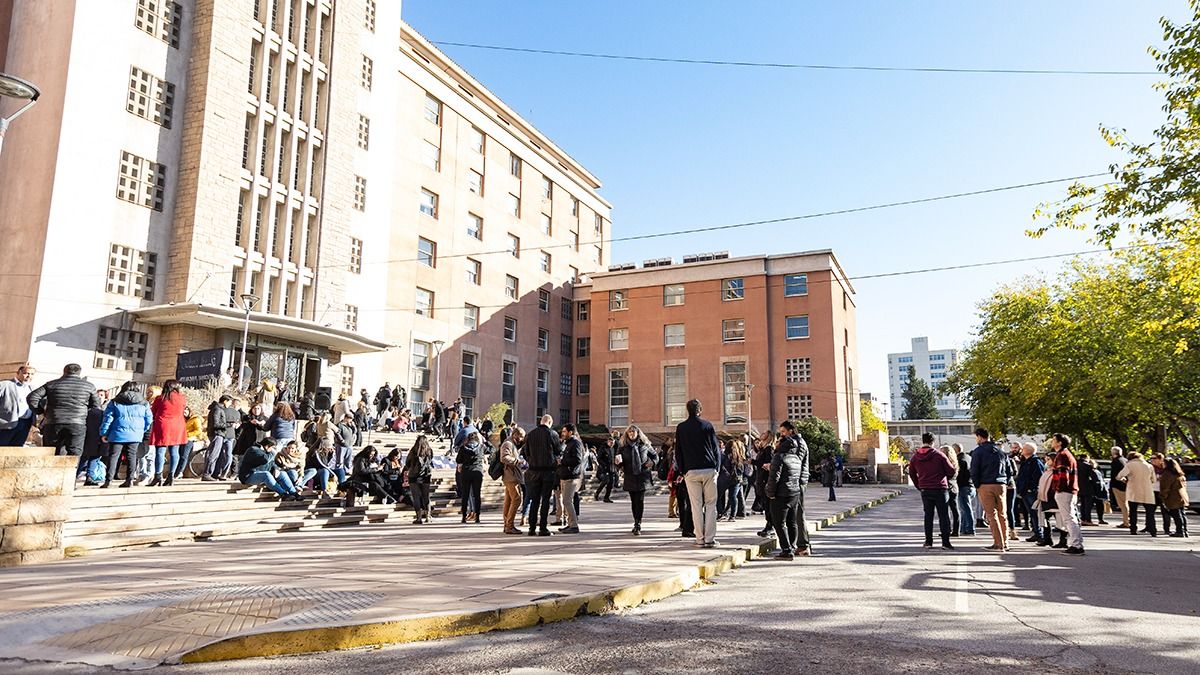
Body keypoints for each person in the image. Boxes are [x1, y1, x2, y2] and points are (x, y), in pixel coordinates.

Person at [26, 363, 100, 456]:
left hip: (53, 422)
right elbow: (96, 407)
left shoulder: (51, 384)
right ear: (79, 373)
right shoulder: (89, 386)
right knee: (74, 453)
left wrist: (40, 411)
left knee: (50, 452)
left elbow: (32, 397)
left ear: (64, 371)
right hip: (77, 423)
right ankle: (71, 470)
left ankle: (50, 470)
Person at [676, 399, 721, 548]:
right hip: (708, 468)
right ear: (700, 409)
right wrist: (717, 468)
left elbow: (679, 452)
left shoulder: (681, 428)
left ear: (687, 410)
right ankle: (709, 538)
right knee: (710, 505)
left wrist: (682, 471)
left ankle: (699, 538)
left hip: (691, 470)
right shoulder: (707, 425)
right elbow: (716, 449)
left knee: (696, 505)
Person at [767, 420, 811, 559]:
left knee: (797, 515)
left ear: (791, 430)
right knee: (793, 517)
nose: (782, 436)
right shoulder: (795, 443)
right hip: (795, 481)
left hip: (796, 482)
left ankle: (802, 545)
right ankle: (794, 546)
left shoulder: (797, 443)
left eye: (784, 432)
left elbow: (793, 463)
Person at [98, 381, 154, 489]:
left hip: (117, 433)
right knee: (132, 456)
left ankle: (108, 481)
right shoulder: (144, 402)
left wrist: (104, 432)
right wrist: (142, 430)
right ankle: (129, 480)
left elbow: (108, 418)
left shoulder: (115, 401)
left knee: (113, 456)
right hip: (135, 434)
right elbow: (149, 419)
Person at [908, 432, 956, 551]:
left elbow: (912, 473)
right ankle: (946, 543)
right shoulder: (939, 455)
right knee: (943, 516)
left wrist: (919, 485)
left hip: (925, 489)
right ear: (933, 442)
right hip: (940, 489)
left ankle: (928, 541)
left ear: (922, 441)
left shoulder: (915, 457)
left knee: (928, 516)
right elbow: (951, 471)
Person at [522, 414, 562, 536]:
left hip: (533, 470)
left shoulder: (530, 434)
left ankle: (532, 528)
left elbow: (525, 451)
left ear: (541, 421)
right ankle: (543, 527)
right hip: (548, 470)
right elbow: (558, 451)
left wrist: (531, 460)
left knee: (534, 500)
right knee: (545, 499)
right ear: (550, 422)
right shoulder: (553, 434)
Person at [970, 428, 1009, 551]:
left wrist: (977, 485)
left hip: (986, 484)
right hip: (1001, 484)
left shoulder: (978, 451)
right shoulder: (1000, 451)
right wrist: (1005, 481)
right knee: (1003, 514)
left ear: (980, 437)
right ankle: (1005, 541)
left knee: (991, 515)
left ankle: (998, 543)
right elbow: (1009, 469)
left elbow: (974, 470)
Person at [1047, 433, 1084, 555]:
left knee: (1068, 518)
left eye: (1054, 440)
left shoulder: (1062, 456)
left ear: (1059, 443)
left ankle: (1076, 545)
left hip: (1065, 491)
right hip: (1069, 490)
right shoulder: (1066, 454)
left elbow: (1064, 475)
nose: (1052, 442)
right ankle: (1076, 543)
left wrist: (1059, 488)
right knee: (1070, 517)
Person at [617, 425, 657, 535]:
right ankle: (636, 520)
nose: (631, 434)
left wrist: (652, 463)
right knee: (633, 501)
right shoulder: (623, 447)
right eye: (629, 432)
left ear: (638, 433)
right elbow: (618, 461)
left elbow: (655, 456)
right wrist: (618, 463)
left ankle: (637, 523)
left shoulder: (645, 445)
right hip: (630, 476)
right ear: (627, 434)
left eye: (633, 432)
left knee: (639, 500)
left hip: (642, 476)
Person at [148, 379, 187, 487]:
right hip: (178, 426)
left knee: (160, 452)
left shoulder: (161, 398)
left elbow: (153, 412)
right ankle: (171, 476)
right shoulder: (182, 398)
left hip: (163, 425)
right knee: (175, 452)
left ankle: (158, 476)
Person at [1117, 451, 1157, 536]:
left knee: (1133, 511)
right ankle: (1153, 530)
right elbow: (1154, 479)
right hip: (1147, 490)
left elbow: (1120, 475)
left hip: (1134, 490)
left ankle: (1133, 529)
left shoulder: (1130, 465)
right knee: (1150, 512)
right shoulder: (1149, 466)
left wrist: (1124, 479)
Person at [1014, 442, 1045, 543]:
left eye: (1024, 448)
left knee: (1036, 513)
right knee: (1032, 513)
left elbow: (1038, 476)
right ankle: (1036, 532)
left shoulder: (1035, 462)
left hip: (1031, 491)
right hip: (1025, 491)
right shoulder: (1026, 461)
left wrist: (1031, 488)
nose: (1021, 449)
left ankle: (1040, 534)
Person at [556, 424, 584, 534]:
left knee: (567, 501)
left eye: (564, 431)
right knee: (567, 501)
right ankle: (570, 524)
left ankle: (574, 525)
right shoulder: (569, 444)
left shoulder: (575, 443)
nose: (562, 434)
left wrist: (562, 462)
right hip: (565, 475)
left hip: (571, 476)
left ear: (570, 432)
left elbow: (577, 460)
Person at [0, 364, 37, 446]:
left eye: (32, 374)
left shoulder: (32, 388)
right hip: (7, 423)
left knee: (17, 448)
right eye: (26, 373)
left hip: (25, 423)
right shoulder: (5, 384)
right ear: (18, 373)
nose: (28, 376)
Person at [201, 395, 237, 481]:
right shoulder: (217, 409)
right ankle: (207, 474)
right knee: (213, 454)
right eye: (229, 402)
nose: (230, 404)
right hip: (217, 434)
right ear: (225, 401)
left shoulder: (217, 408)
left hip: (218, 434)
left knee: (215, 454)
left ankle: (210, 474)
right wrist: (229, 425)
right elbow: (216, 424)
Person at [499, 427, 527, 534]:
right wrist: (517, 461)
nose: (522, 439)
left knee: (509, 500)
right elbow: (504, 458)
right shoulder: (508, 444)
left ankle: (507, 524)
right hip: (511, 476)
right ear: (515, 435)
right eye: (521, 437)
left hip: (511, 475)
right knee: (517, 499)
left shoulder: (512, 444)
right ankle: (509, 525)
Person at [456, 430, 487, 524]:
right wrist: (483, 439)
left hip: (466, 472)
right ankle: (477, 516)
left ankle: (464, 517)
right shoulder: (481, 447)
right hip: (477, 471)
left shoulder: (463, 448)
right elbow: (491, 449)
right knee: (477, 495)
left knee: (465, 495)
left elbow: (458, 460)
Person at [1156, 455, 1190, 537]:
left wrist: (1163, 496)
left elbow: (1166, 487)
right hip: (1181, 496)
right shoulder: (1179, 474)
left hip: (1173, 497)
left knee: (1176, 514)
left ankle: (1180, 531)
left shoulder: (1167, 474)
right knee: (1182, 514)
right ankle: (1184, 530)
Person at [405, 435, 435, 523]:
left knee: (416, 497)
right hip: (426, 475)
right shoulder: (429, 451)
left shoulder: (413, 451)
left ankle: (418, 517)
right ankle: (428, 516)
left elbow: (407, 463)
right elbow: (430, 461)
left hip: (413, 476)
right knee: (426, 496)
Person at [717, 439, 748, 521]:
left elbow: (719, 467)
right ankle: (732, 516)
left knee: (718, 496)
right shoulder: (739, 457)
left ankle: (720, 513)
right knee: (733, 497)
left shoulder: (723, 456)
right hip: (736, 479)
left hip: (724, 479)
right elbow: (742, 469)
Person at [753, 432, 775, 537]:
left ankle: (770, 525)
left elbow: (767, 464)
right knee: (765, 503)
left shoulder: (769, 449)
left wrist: (753, 462)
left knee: (768, 504)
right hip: (761, 478)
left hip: (765, 479)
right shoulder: (763, 449)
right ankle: (769, 525)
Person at [1078, 456, 1108, 526]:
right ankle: (1088, 520)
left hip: (1080, 487)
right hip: (1088, 488)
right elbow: (1094, 478)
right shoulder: (1088, 466)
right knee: (1088, 505)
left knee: (1083, 504)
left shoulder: (1076, 465)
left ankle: (1083, 518)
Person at [954, 444, 975, 536]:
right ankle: (963, 528)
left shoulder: (960, 460)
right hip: (971, 486)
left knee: (966, 508)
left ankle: (970, 528)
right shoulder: (969, 457)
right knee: (964, 508)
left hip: (964, 486)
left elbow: (960, 475)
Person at [940, 446, 960, 537]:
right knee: (954, 510)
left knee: (946, 511)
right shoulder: (955, 463)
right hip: (954, 487)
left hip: (947, 487)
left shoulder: (944, 463)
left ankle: (948, 529)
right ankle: (955, 530)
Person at [1109, 446, 1130, 528]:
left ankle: (1126, 522)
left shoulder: (1116, 462)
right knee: (1126, 504)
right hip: (1125, 485)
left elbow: (1115, 475)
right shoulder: (1125, 460)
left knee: (1123, 504)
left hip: (1118, 485)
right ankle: (1127, 520)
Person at [593, 436, 616, 503]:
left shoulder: (612, 449)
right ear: (608, 442)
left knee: (611, 483)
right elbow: (599, 458)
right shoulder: (603, 448)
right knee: (605, 481)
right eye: (611, 443)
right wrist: (604, 465)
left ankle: (606, 497)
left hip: (611, 468)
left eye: (613, 443)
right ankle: (597, 493)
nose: (612, 444)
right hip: (604, 469)